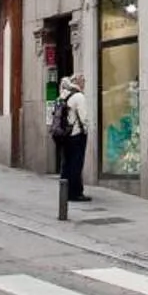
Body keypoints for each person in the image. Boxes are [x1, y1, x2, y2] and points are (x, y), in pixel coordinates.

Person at [52, 72, 90, 203]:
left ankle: (65, 191)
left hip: (63, 135)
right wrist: (86, 129)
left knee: (66, 163)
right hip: (76, 134)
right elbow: (84, 117)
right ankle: (75, 193)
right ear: (78, 82)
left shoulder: (63, 94)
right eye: (83, 80)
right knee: (76, 164)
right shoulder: (79, 96)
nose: (84, 83)